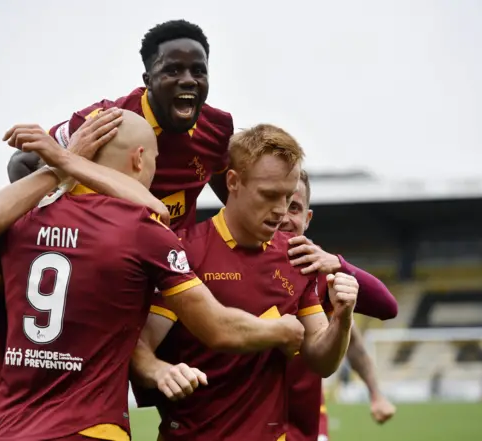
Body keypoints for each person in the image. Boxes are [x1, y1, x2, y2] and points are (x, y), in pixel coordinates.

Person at [0, 111, 305, 441]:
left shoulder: (24, 222)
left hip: (9, 428)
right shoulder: (141, 228)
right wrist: (283, 329)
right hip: (91, 429)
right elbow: (217, 327)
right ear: (140, 159)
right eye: (156, 163)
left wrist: (61, 165)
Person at [131, 124, 360, 441]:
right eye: (268, 195)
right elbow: (138, 348)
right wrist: (161, 371)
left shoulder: (295, 259)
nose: (280, 210)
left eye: (287, 196)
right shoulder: (184, 252)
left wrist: (343, 317)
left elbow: (321, 360)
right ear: (234, 182)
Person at [7, 19, 232, 232]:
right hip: (108, 263)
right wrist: (49, 235)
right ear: (148, 80)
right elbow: (22, 162)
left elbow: (234, 200)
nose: (188, 80)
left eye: (198, 71)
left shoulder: (217, 127)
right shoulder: (106, 121)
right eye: (172, 70)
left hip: (172, 262)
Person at [280, 170, 398, 441]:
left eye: (294, 207)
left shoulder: (321, 271)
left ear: (307, 219)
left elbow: (385, 309)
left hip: (305, 425)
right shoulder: (240, 263)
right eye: (279, 203)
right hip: (250, 421)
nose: (284, 217)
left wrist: (376, 394)